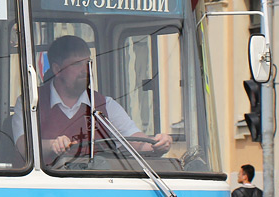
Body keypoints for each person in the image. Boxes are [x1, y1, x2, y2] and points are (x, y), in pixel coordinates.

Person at [11, 36, 172, 163]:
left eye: (88, 63)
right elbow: (23, 146)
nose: (85, 70)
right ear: (57, 70)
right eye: (77, 64)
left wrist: (156, 144)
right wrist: (53, 145)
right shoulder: (32, 102)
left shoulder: (105, 105)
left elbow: (133, 139)